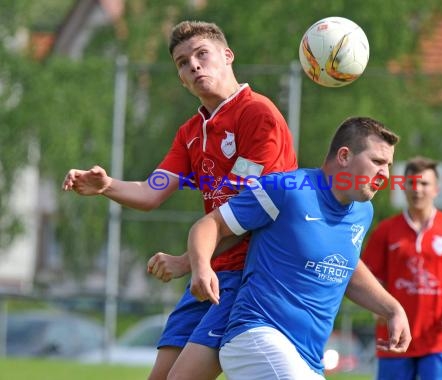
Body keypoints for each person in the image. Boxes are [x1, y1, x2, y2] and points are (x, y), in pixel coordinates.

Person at [61, 20, 297, 380]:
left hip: (252, 272)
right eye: (183, 63)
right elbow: (152, 190)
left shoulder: (258, 115)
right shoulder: (191, 132)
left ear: (228, 56)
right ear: (181, 78)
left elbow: (248, 215)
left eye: (202, 54)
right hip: (212, 269)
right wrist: (107, 186)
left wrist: (188, 261)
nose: (194, 65)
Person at [184, 116, 411, 379]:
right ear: (345, 156)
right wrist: (200, 268)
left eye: (389, 165)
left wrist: (393, 309)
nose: (385, 174)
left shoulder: (363, 211)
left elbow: (345, 267)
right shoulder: (288, 189)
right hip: (257, 336)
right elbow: (210, 225)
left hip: (309, 358)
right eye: (377, 162)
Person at [362, 156, 442, 380]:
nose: (417, 189)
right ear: (403, 187)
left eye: (424, 184)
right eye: (411, 183)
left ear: (436, 189)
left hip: (439, 338)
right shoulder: (386, 230)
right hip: (394, 337)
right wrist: (376, 308)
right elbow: (369, 277)